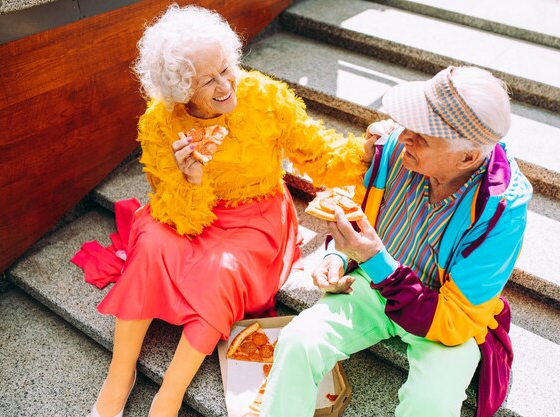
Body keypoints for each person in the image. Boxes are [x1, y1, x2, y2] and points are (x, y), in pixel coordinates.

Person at [72, 4, 370, 417]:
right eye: (207, 80)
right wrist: (190, 179)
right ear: (179, 89)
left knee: (220, 270)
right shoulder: (160, 122)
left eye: (227, 68)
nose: (226, 85)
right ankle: (120, 375)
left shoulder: (265, 97)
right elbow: (173, 212)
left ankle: (171, 393)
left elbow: (320, 157)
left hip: (257, 217)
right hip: (187, 209)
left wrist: (365, 152)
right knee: (152, 246)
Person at [260, 66, 533, 417]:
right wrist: (340, 256)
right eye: (409, 123)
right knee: (298, 341)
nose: (404, 136)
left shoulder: (502, 212)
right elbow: (358, 210)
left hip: (445, 313)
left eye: (423, 135)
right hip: (373, 285)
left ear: (467, 157)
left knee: (431, 403)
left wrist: (373, 259)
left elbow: (456, 321)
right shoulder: (391, 148)